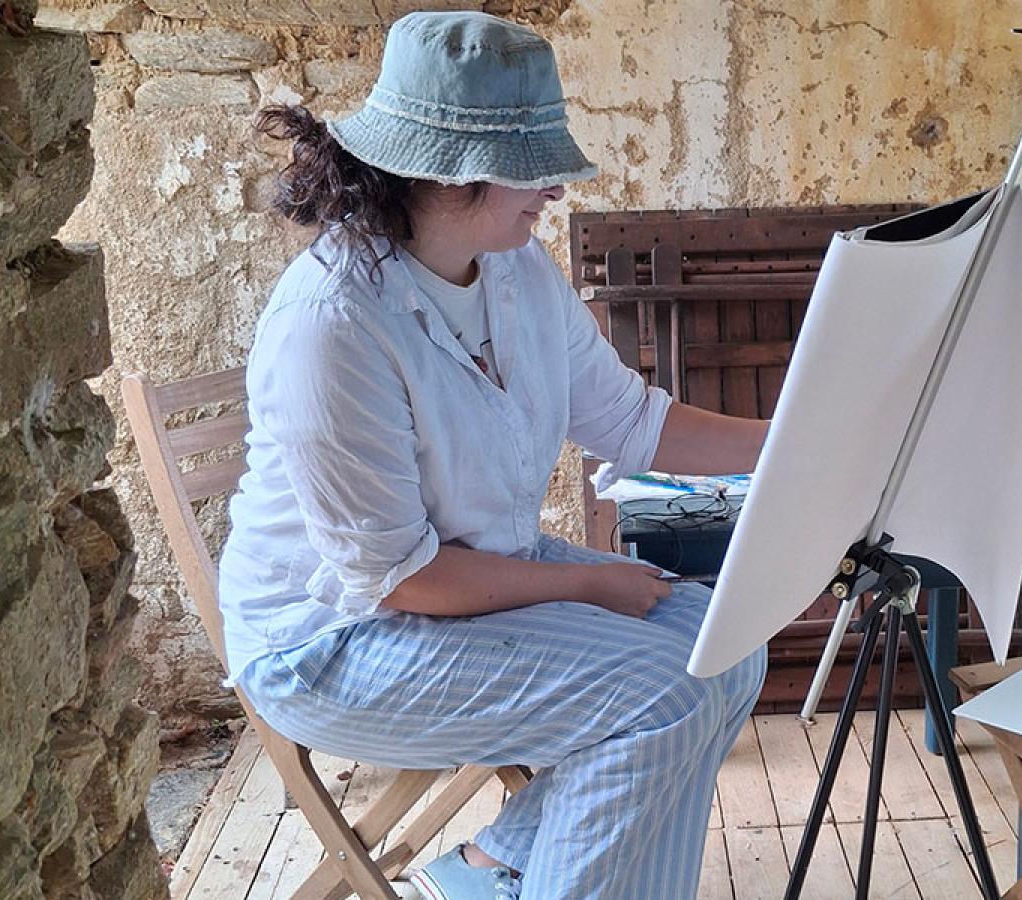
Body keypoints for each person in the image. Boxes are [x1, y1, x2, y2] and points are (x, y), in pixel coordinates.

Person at [220, 11, 770, 899]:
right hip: (334, 637)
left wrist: (796, 447)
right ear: (451, 172)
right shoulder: (332, 325)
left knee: (726, 648)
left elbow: (636, 424)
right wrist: (592, 582)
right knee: (657, 693)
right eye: (535, 169)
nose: (555, 191)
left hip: (464, 578)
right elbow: (400, 579)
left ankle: (498, 864)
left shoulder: (515, 272)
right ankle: (522, 875)